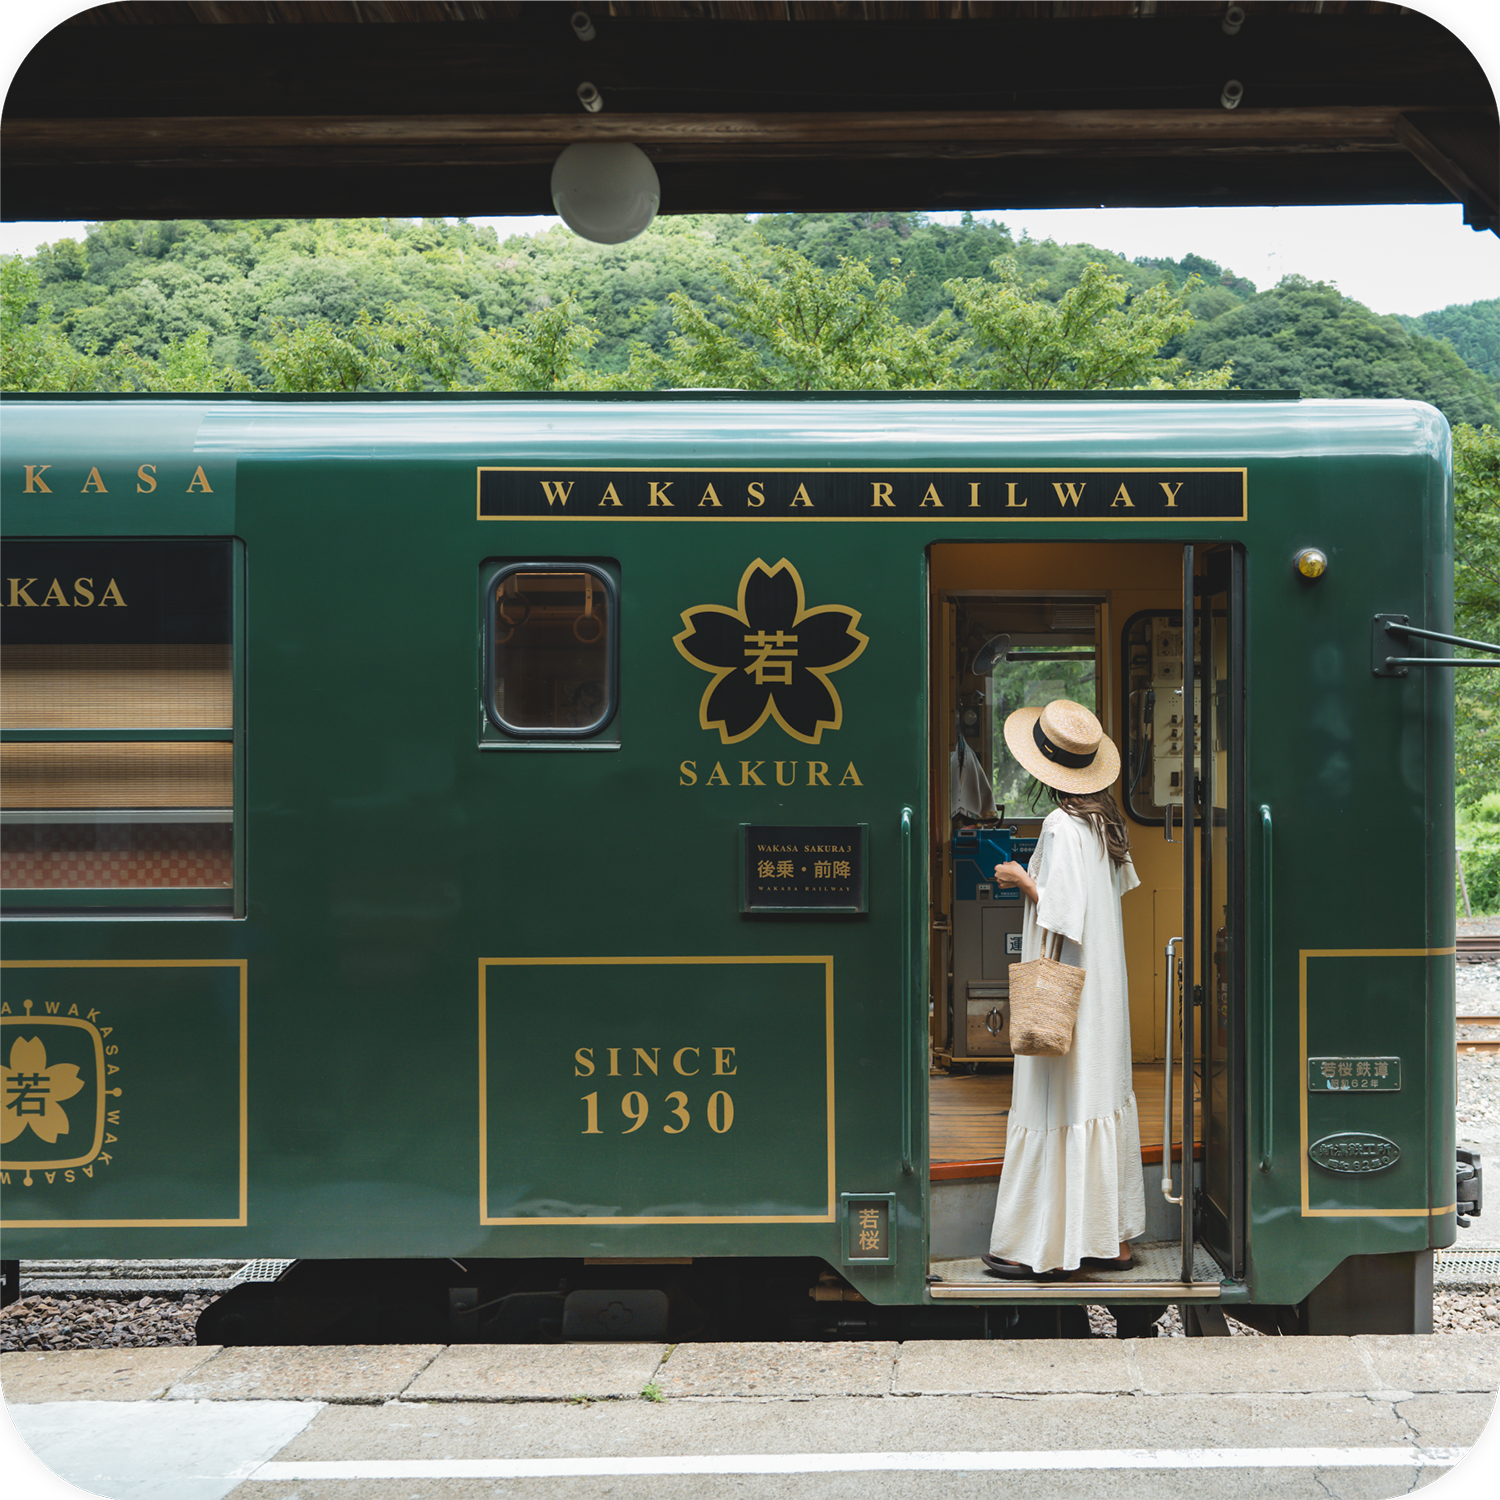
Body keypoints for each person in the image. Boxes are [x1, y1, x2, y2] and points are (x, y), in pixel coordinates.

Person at [983, 698, 1145, 1279]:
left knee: (1055, 1097)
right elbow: (1107, 896)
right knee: (1097, 1094)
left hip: (1065, 989)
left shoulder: (1058, 824)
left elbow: (1062, 912)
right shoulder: (1105, 824)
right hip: (1101, 984)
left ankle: (1041, 1246)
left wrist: (1018, 876)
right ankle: (1113, 1241)